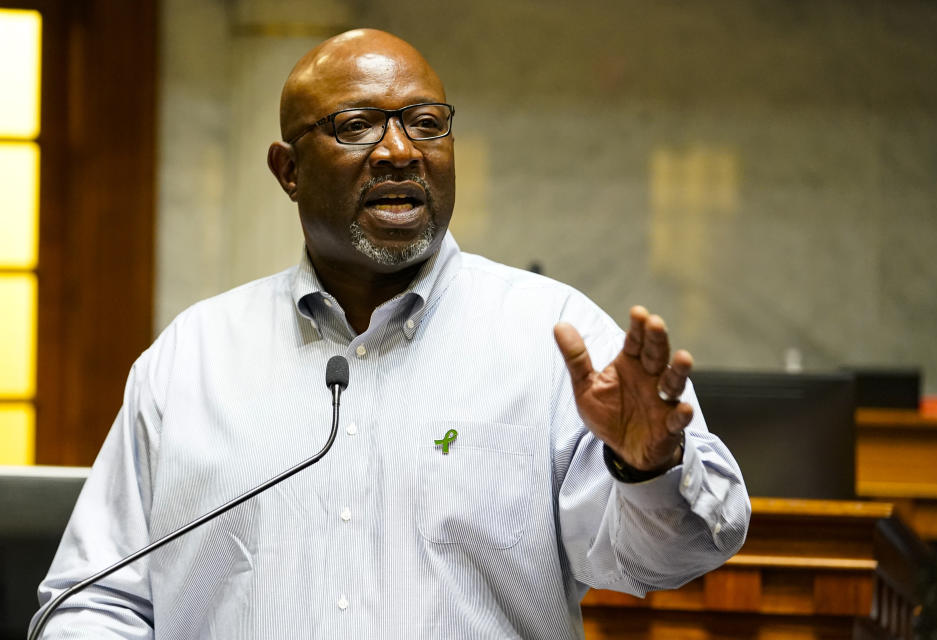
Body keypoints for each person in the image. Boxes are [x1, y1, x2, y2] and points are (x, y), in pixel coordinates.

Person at [33, 28, 749, 639]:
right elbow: (96, 598)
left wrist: (647, 470)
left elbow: (671, 560)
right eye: (356, 126)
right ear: (287, 170)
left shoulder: (552, 338)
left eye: (426, 123)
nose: (399, 151)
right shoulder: (193, 359)